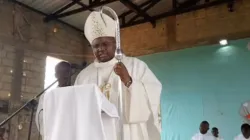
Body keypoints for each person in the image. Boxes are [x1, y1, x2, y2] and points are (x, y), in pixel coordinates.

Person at [74, 10, 162, 140]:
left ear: (116, 43)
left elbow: (153, 95)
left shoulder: (136, 66)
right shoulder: (84, 76)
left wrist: (129, 81)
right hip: (95, 132)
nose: (100, 49)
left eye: (105, 44)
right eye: (95, 46)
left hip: (128, 132)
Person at [35, 61, 71, 138]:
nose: (66, 75)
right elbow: (41, 119)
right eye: (61, 72)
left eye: (68, 72)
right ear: (56, 75)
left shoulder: (77, 95)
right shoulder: (47, 96)